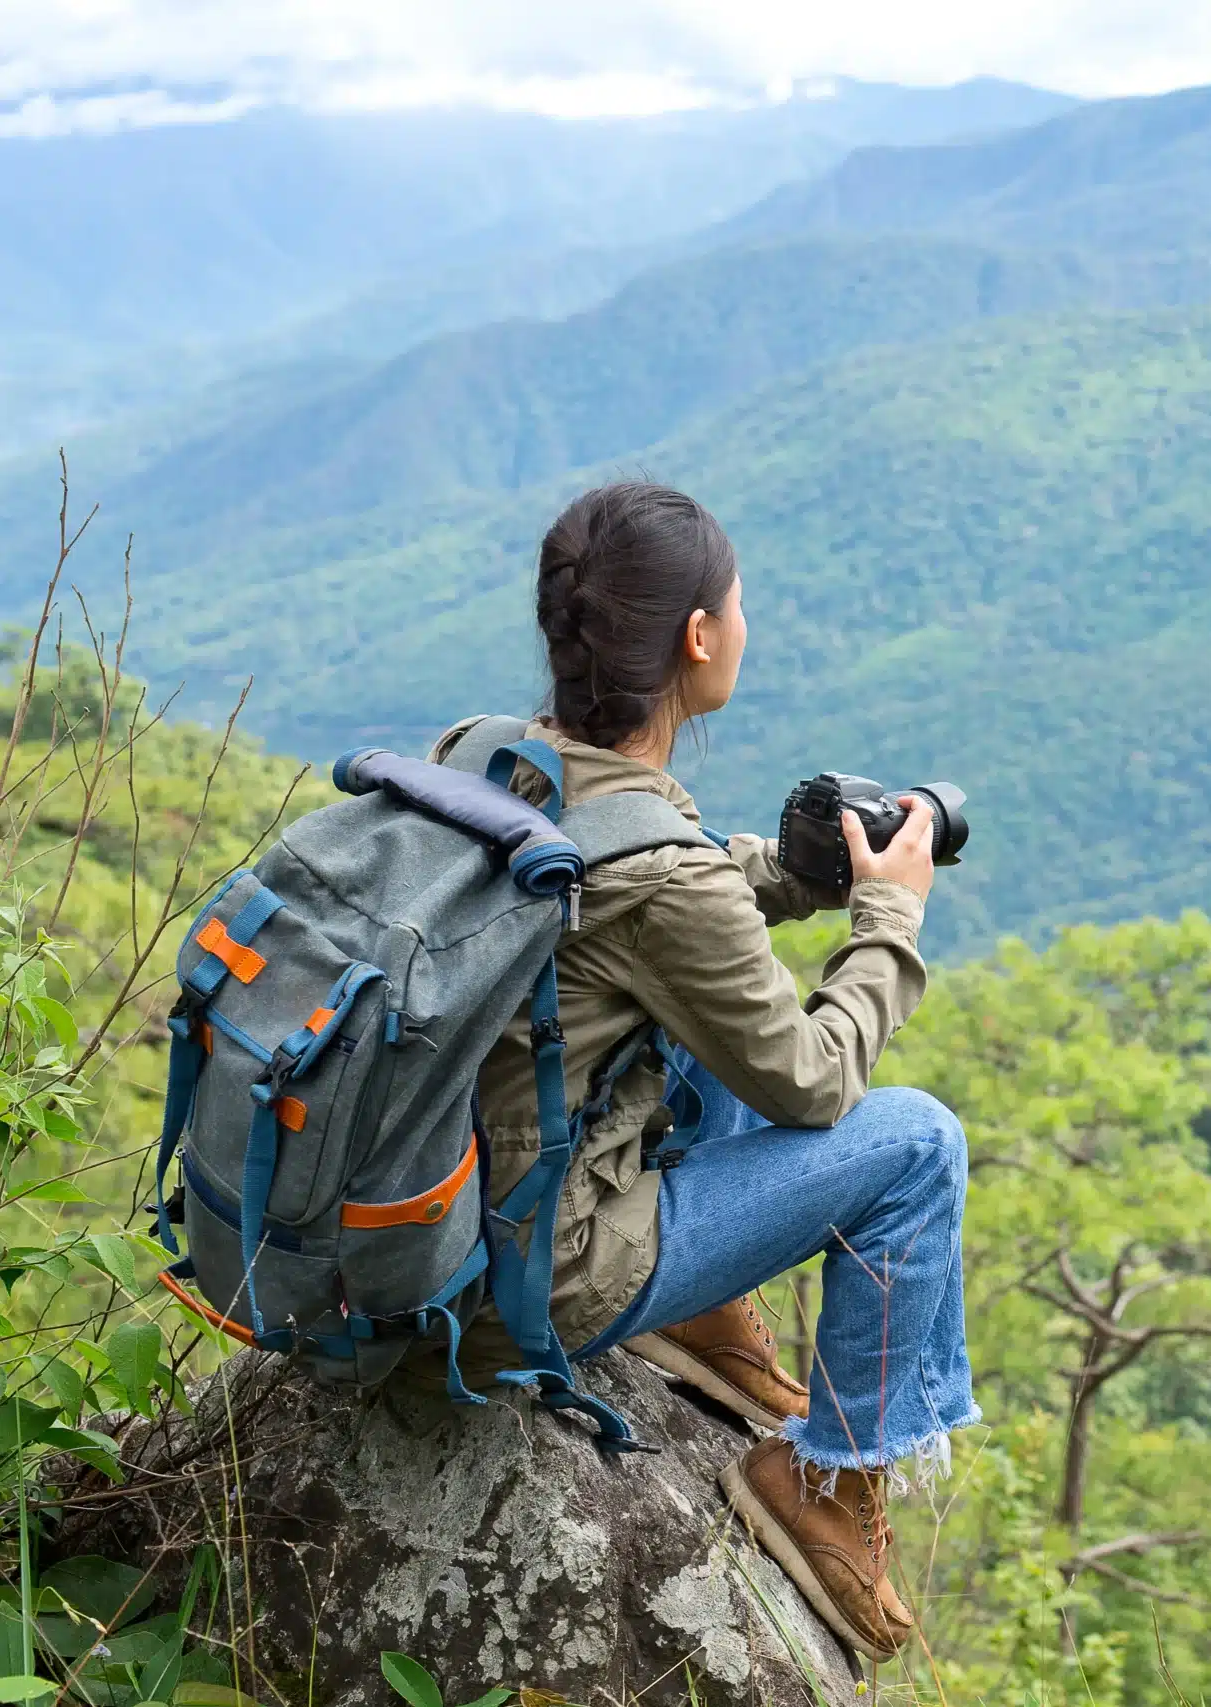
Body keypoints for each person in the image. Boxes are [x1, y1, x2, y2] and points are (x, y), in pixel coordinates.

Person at [433, 481, 972, 1664]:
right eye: (737, 607)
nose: (742, 625)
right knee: (919, 1144)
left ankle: (704, 1314)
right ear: (696, 636)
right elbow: (815, 1084)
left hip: (449, 1209)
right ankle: (828, 1481)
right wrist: (887, 916)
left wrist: (791, 876)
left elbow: (642, 899)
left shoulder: (486, 758)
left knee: (698, 998)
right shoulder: (665, 881)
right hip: (541, 1264)